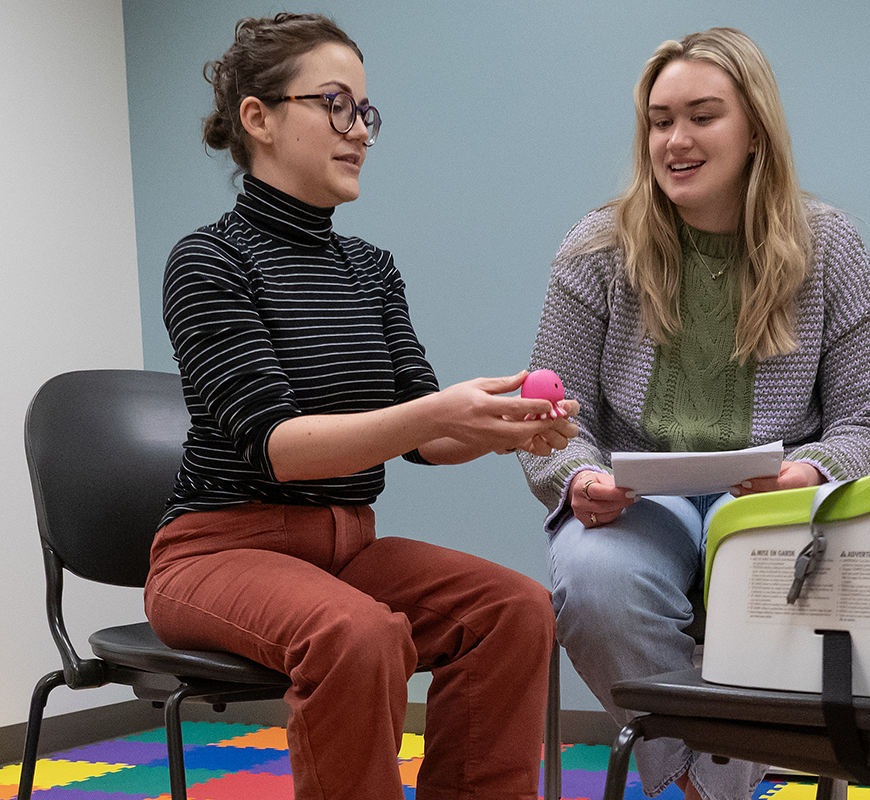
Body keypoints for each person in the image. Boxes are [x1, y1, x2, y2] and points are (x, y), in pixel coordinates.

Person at [148, 13, 578, 800]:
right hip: (213, 552)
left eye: (366, 112)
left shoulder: (370, 268)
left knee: (515, 610)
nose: (361, 131)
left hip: (347, 548)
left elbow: (422, 433)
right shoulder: (206, 261)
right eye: (337, 105)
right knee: (358, 634)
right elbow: (277, 445)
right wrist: (439, 414)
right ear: (260, 118)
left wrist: (496, 429)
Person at [518, 27, 870, 800]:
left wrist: (810, 471)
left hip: (777, 506)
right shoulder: (596, 249)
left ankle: (701, 788)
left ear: (755, 128)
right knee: (594, 589)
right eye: (660, 121)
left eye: (702, 115)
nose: (676, 139)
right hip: (637, 500)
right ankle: (711, 790)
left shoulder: (830, 247)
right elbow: (549, 417)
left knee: (770, 612)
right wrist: (579, 478)